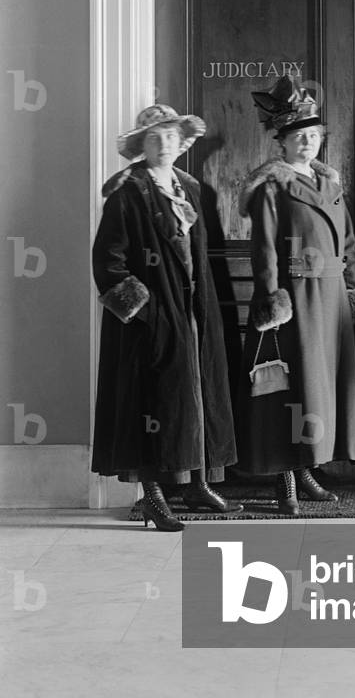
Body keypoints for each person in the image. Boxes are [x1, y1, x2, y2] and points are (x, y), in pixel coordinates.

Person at [91, 104, 239, 530]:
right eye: (156, 137)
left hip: (193, 311)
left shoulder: (189, 189)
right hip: (153, 319)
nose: (165, 144)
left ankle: (197, 484)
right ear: (142, 144)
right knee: (152, 403)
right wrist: (147, 312)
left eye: (171, 136)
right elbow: (108, 262)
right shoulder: (127, 192)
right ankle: (153, 496)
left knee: (197, 395)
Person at [236, 76, 355, 515]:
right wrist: (272, 297)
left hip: (331, 300)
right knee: (292, 388)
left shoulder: (331, 184)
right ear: (283, 143)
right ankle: (285, 479)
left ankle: (308, 468)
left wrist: (353, 287)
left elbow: (347, 242)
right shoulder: (271, 187)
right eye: (299, 137)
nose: (308, 143)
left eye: (314, 136)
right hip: (295, 297)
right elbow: (265, 248)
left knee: (323, 389)